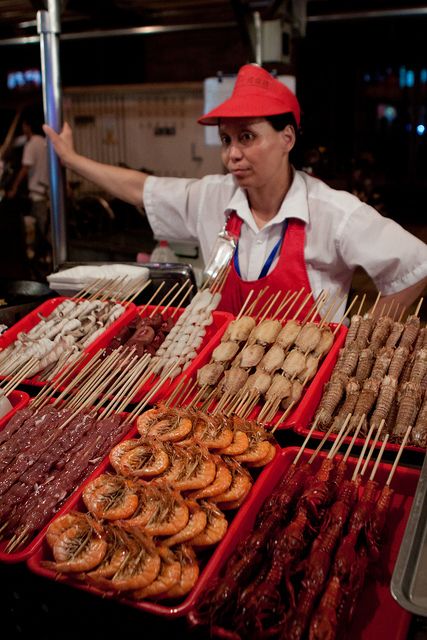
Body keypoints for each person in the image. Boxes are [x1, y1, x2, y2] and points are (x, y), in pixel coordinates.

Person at [43, 64, 427, 319]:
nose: (232, 154)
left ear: (287, 137)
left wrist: (357, 342)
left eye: (247, 136)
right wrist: (73, 161)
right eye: (226, 139)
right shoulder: (212, 197)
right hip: (220, 379)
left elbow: (414, 265)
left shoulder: (332, 212)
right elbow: (141, 188)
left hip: (304, 388)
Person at [8, 109, 50, 261]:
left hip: (37, 193)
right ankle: (43, 257)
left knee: (37, 228)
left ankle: (43, 259)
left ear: (28, 126)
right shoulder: (45, 142)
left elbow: (25, 168)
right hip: (47, 192)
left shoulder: (31, 144)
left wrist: (13, 188)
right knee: (43, 227)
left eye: (24, 126)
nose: (23, 129)